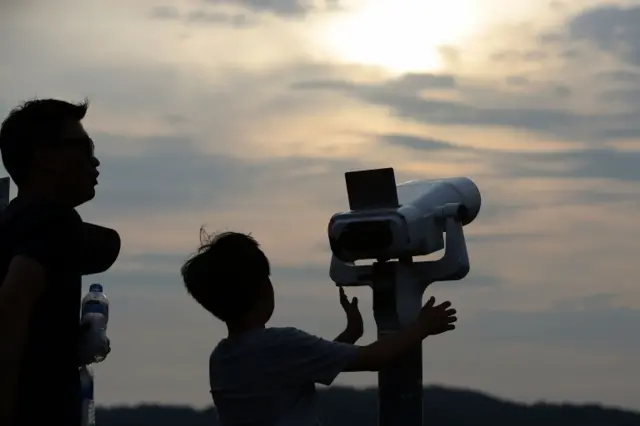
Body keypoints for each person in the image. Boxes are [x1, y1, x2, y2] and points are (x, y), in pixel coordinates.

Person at [180, 231, 457, 426]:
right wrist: (422, 327)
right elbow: (374, 358)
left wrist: (350, 334)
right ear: (265, 288)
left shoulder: (222, 359)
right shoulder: (282, 344)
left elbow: (295, 370)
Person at [0, 99, 121, 426]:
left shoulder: (15, 220)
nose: (94, 161)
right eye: (85, 147)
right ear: (45, 157)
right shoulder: (55, 220)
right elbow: (14, 300)